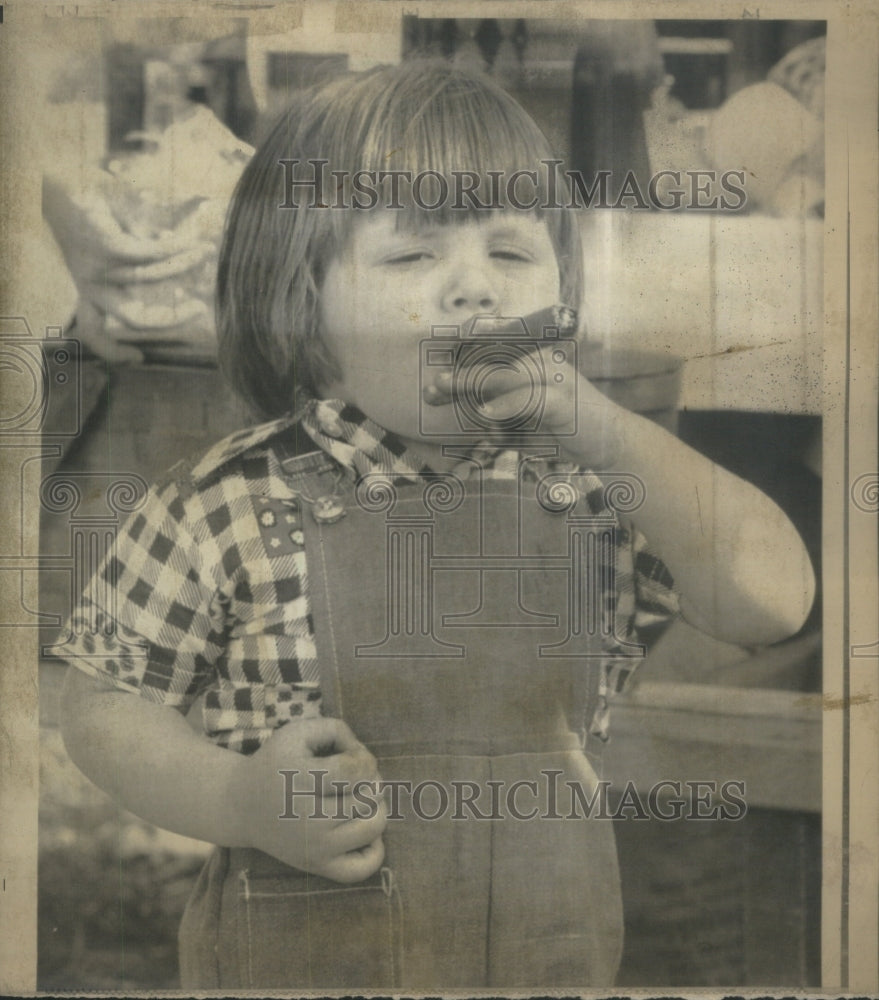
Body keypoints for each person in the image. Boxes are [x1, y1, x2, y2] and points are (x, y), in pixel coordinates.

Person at [57, 61, 815, 990]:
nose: (474, 291)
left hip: (548, 955)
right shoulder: (223, 501)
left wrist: (604, 430)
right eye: (413, 256)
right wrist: (236, 797)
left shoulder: (589, 489)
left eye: (509, 253)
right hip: (304, 957)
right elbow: (102, 701)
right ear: (302, 302)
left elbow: (773, 600)